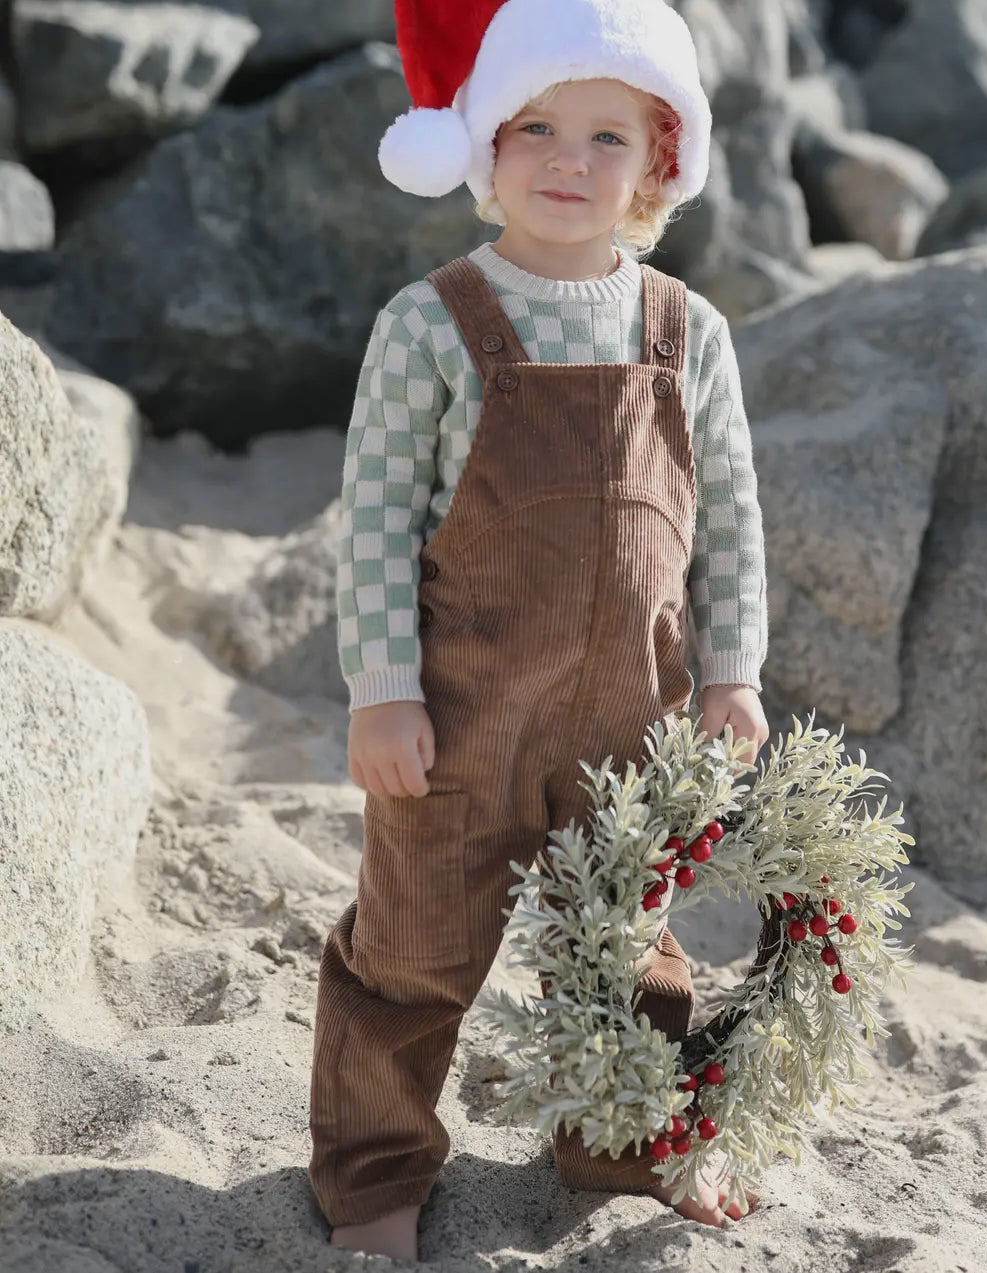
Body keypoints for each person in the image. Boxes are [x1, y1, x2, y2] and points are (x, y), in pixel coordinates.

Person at [308, 0, 770, 1259]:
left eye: (608, 135)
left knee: (629, 949)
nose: (569, 159)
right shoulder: (433, 322)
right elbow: (375, 524)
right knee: (410, 950)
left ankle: (620, 1147)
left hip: (633, 714)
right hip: (458, 712)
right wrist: (382, 689)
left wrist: (734, 672)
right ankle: (375, 1173)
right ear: (481, 145)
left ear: (661, 162)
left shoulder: (687, 331)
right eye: (534, 127)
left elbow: (728, 512)